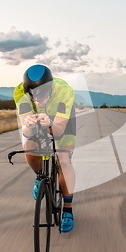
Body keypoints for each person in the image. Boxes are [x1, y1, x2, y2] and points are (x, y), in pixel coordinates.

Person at [13, 64, 76, 232]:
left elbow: (59, 131)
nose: (38, 102)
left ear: (51, 88)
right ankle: (39, 176)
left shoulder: (64, 91)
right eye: (33, 97)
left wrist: (49, 123)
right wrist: (29, 125)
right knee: (30, 147)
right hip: (37, 121)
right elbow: (27, 132)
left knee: (63, 160)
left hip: (61, 121)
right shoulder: (20, 92)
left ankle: (68, 210)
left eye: (43, 96)